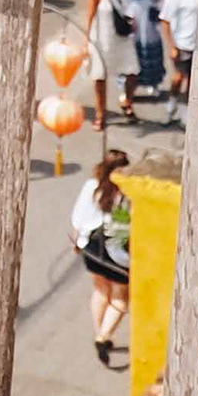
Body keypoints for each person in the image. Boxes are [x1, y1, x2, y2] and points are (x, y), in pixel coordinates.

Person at [71, 152, 133, 369]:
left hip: (90, 248)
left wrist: (77, 241)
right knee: (120, 298)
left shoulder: (91, 186)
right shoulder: (126, 196)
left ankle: (99, 332)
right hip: (114, 254)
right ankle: (103, 337)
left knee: (100, 291)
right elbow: (125, 231)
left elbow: (78, 217)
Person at [159, 0, 198, 114]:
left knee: (193, 80)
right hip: (182, 44)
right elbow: (165, 20)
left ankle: (185, 109)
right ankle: (172, 101)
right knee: (179, 76)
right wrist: (172, 46)